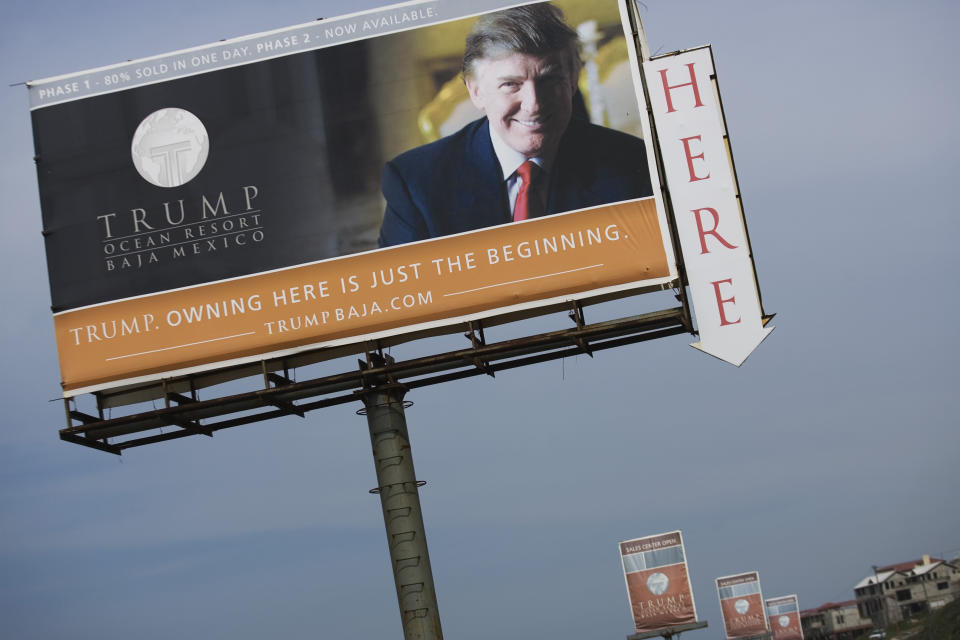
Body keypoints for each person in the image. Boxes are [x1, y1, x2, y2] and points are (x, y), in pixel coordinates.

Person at [378, 3, 653, 248]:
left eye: (549, 80)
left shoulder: (633, 165)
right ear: (476, 92)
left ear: (572, 80)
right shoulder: (415, 184)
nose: (534, 104)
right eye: (511, 84)